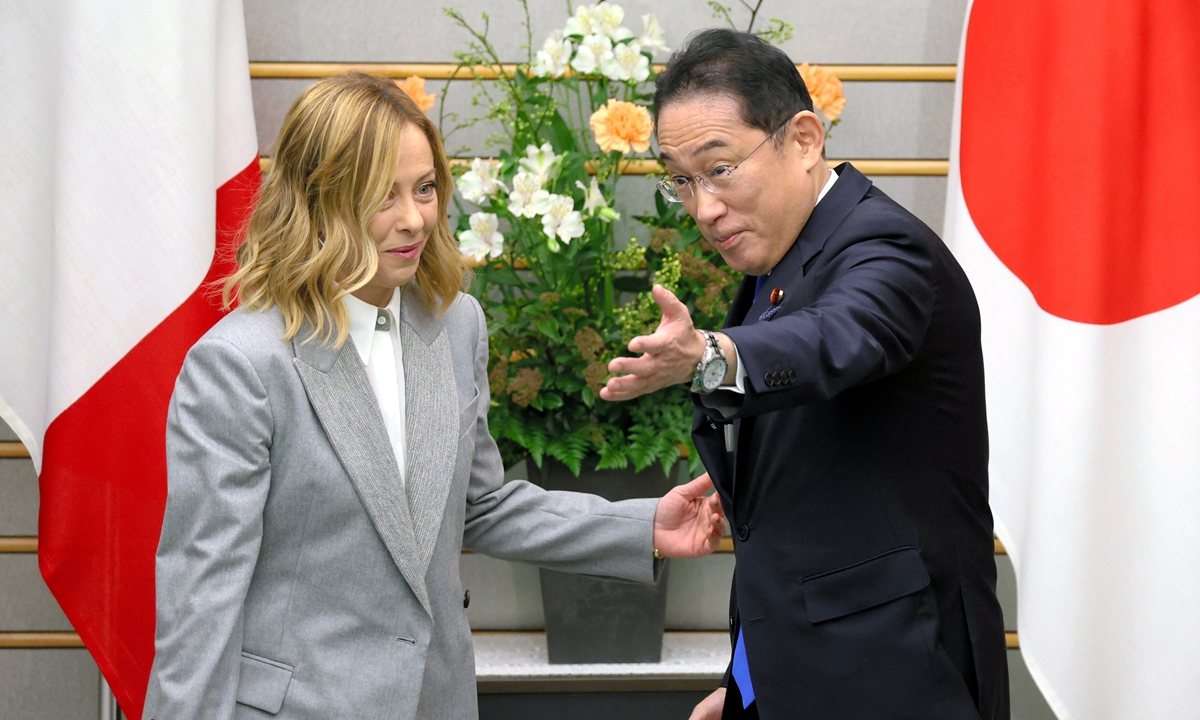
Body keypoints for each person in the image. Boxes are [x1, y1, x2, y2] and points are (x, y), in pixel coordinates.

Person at [142, 72, 725, 720]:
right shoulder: (239, 364)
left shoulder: (455, 324)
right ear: (319, 198)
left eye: (424, 189)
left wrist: (642, 526)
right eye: (382, 196)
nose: (415, 218)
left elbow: (482, 505)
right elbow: (203, 597)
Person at [600, 30, 1008, 720]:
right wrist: (748, 685)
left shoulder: (886, 247)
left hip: (901, 679)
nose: (702, 208)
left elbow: (835, 340)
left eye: (720, 168)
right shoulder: (779, 259)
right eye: (681, 180)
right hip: (806, 675)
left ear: (805, 138)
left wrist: (708, 356)